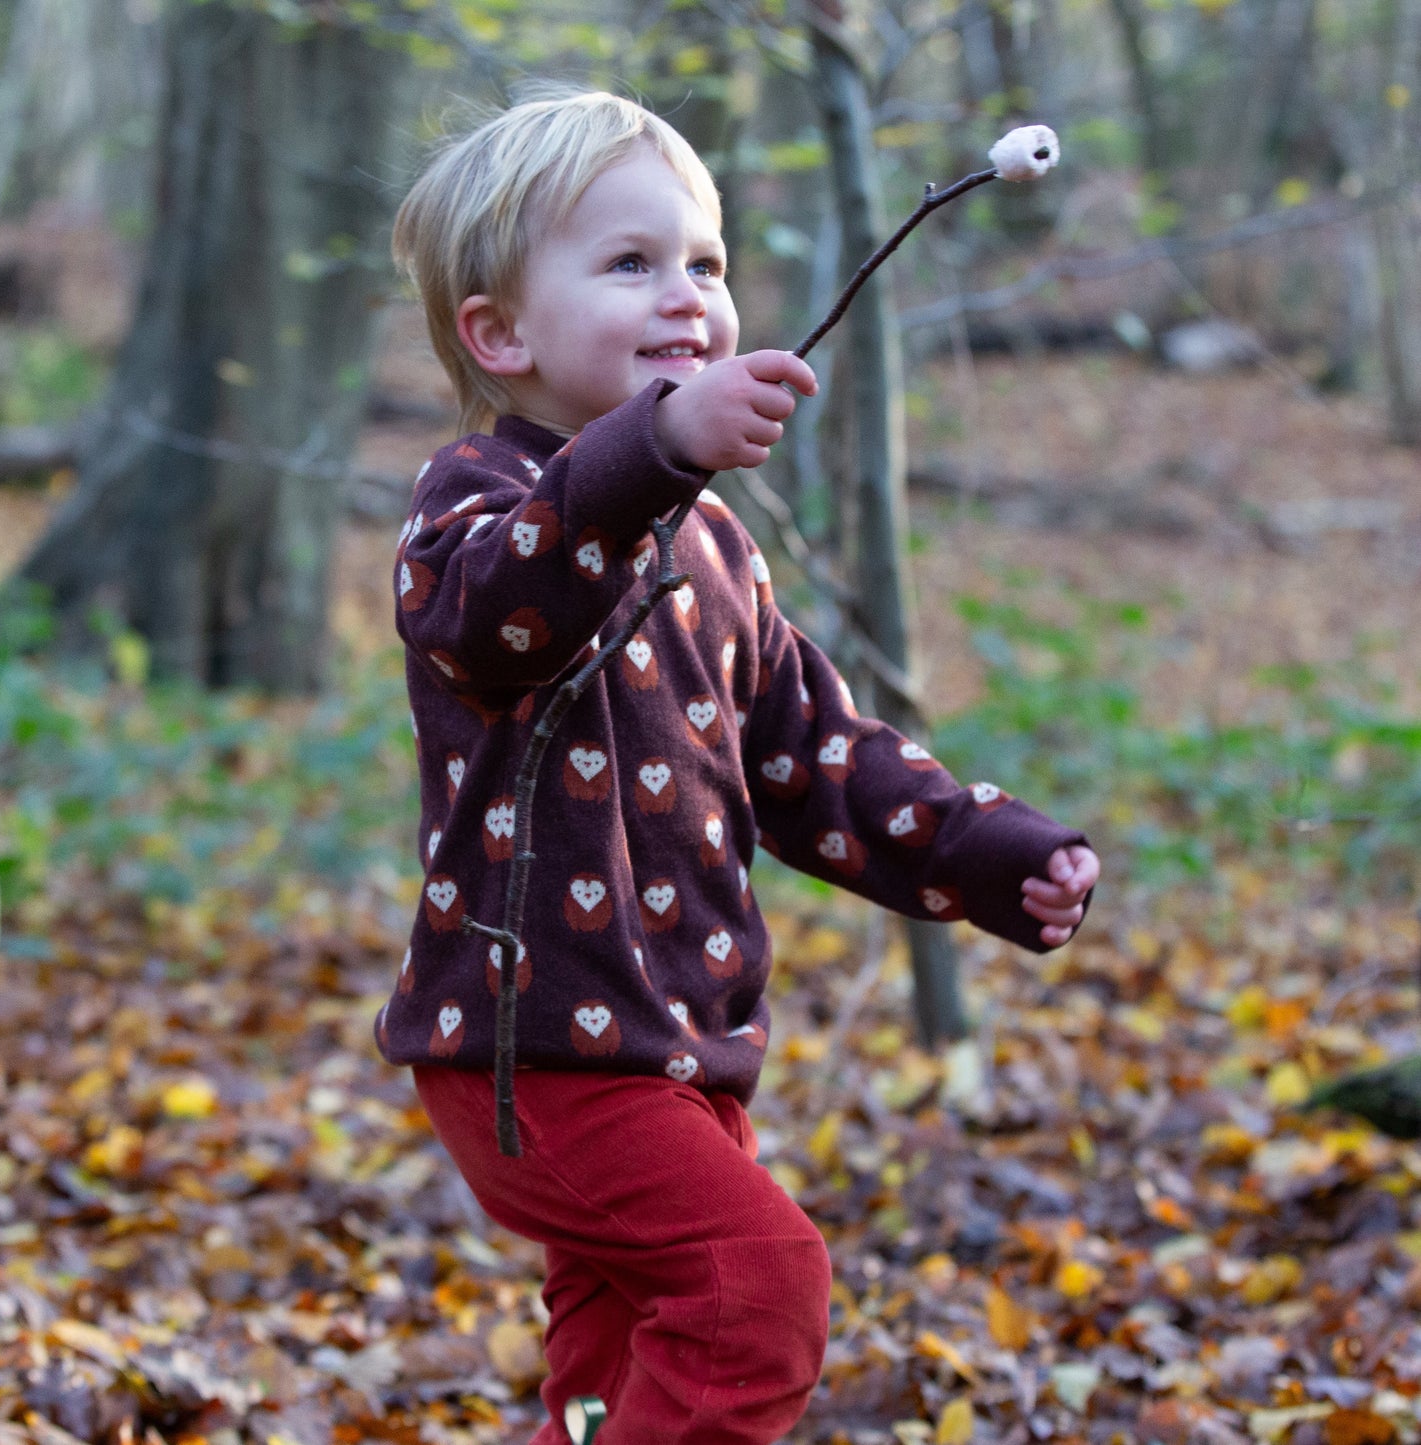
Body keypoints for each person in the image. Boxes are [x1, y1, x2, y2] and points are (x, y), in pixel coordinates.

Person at [378, 89, 1100, 1445]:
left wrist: (987, 849)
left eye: (703, 263)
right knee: (757, 1288)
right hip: (537, 1046)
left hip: (677, 1047)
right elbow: (497, 615)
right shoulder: (468, 503)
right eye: (630, 263)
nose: (685, 294)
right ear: (500, 332)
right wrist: (647, 453)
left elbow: (816, 761)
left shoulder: (713, 548)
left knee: (610, 1375)